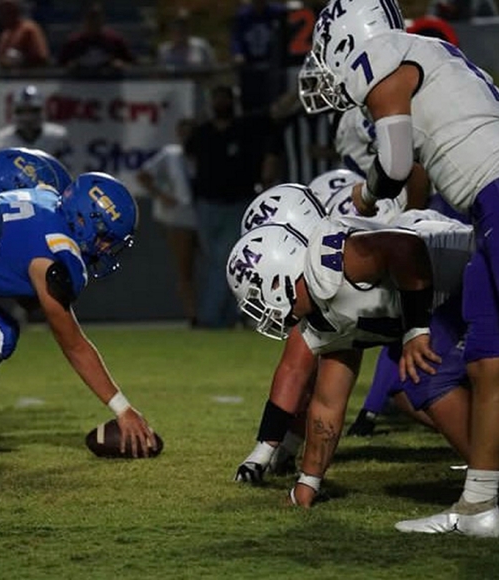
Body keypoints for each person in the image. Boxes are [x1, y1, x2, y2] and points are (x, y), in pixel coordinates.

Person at [301, 0, 499, 536]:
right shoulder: (429, 52)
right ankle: (480, 507)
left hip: (497, 199)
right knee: (485, 361)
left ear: (348, 36)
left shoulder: (384, 54)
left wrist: (362, 202)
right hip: (486, 212)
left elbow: (392, 164)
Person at [228, 212, 473, 499]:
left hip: (469, 270)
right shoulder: (319, 324)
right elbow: (327, 404)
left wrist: (416, 330)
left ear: (277, 281)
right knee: (411, 384)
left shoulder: (329, 261)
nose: (261, 312)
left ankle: (487, 477)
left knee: (428, 378)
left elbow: (405, 247)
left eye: (258, 297)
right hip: (450, 303)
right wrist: (309, 483)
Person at [0, 172, 158, 457]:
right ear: (82, 220)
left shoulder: (46, 199)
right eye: (105, 238)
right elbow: (73, 344)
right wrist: (122, 408)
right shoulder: (57, 253)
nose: (106, 248)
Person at [184, 84, 278, 328]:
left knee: (225, 260)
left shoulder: (245, 129)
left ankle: (212, 318)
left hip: (238, 203)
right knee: (213, 262)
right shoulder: (202, 133)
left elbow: (274, 124)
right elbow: (190, 158)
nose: (221, 103)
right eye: (217, 99)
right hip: (207, 205)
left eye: (225, 98)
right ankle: (228, 316)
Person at [137, 119, 198, 326]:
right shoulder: (171, 155)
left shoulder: (204, 153)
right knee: (184, 268)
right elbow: (143, 175)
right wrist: (161, 196)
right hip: (178, 218)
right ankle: (193, 314)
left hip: (204, 214)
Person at [0, 85, 71, 162]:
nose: (27, 118)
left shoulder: (57, 136)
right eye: (22, 111)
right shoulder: (1, 140)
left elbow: (66, 168)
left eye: (33, 111)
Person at [58, 2, 135, 75]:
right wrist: (70, 66)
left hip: (109, 82)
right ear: (85, 20)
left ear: (102, 20)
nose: (94, 22)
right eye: (91, 18)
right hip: (79, 83)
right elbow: (60, 65)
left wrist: (121, 64)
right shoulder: (73, 42)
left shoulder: (114, 40)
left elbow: (131, 63)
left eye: (97, 18)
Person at [0, 0, 49, 69]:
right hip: (6, 78)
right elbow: (0, 58)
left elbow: (42, 57)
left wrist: (19, 61)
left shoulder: (29, 29)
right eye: (0, 12)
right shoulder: (5, 34)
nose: (2, 15)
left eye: (8, 11)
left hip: (28, 77)